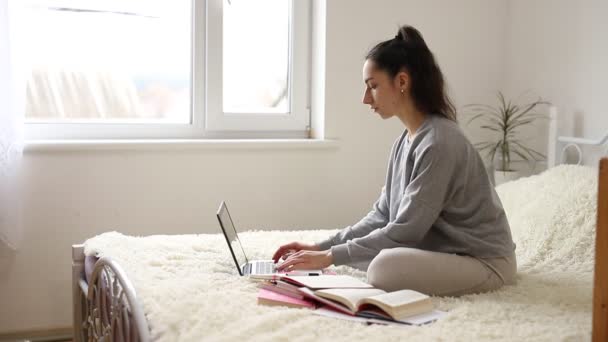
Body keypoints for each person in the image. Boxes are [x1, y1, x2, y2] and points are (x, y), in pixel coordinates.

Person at [271, 25, 517, 297]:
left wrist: (331, 256)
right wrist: (320, 248)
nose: (366, 99)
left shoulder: (439, 142)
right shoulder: (404, 141)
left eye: (373, 86)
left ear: (402, 82)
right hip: (445, 253)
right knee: (374, 255)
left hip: (485, 262)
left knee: (383, 267)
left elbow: (404, 232)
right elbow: (382, 215)